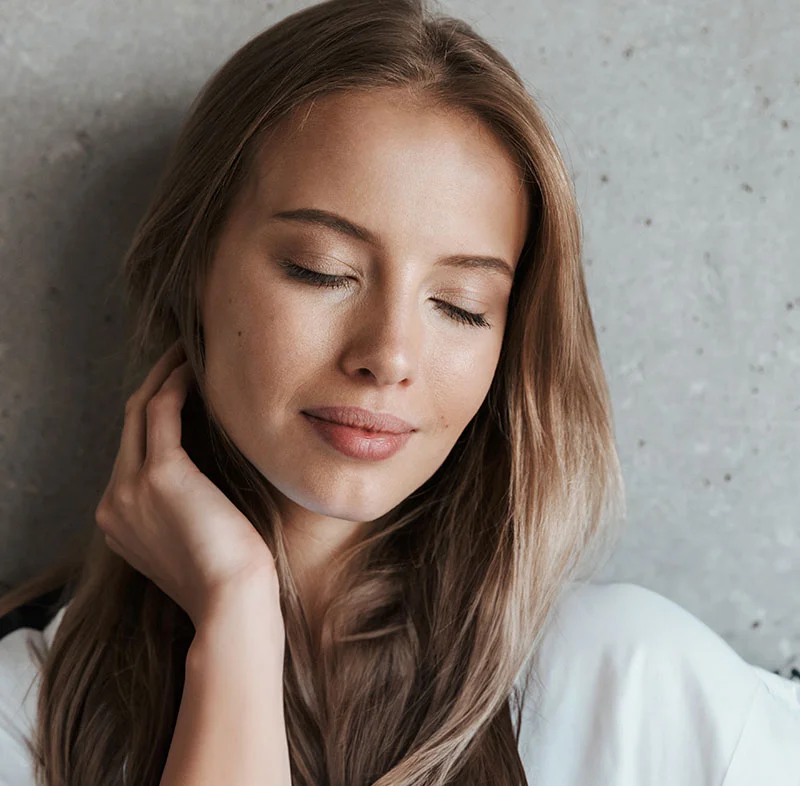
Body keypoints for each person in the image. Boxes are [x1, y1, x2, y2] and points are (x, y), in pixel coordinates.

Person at [0, 0, 798, 783]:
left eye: (460, 305)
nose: (389, 355)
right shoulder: (24, 710)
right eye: (322, 270)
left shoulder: (639, 693)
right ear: (190, 270)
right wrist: (236, 617)